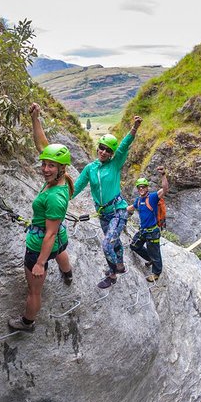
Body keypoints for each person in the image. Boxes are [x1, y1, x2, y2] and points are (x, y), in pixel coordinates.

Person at [8, 103, 74, 331]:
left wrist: (39, 263)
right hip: (59, 239)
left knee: (34, 290)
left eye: (50, 166)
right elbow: (43, 145)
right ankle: (68, 274)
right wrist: (36, 118)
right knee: (60, 250)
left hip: (40, 245)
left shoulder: (55, 196)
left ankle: (27, 322)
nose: (45, 168)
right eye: (44, 164)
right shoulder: (61, 178)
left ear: (61, 168)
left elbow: (50, 233)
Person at [73, 116, 143, 289]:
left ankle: (112, 275)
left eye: (108, 150)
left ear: (112, 154)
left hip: (118, 211)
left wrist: (134, 128)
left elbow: (124, 146)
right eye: (102, 148)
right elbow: (76, 187)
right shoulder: (90, 168)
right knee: (115, 240)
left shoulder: (115, 164)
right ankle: (120, 264)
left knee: (107, 244)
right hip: (103, 214)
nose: (104, 152)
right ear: (98, 148)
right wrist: (60, 198)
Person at [127, 166, 169, 282]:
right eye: (139, 187)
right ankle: (149, 259)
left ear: (146, 187)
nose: (141, 189)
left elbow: (165, 189)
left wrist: (163, 175)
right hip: (143, 231)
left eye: (143, 187)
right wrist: (116, 210)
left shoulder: (153, 197)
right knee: (134, 246)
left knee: (155, 252)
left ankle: (156, 273)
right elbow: (130, 208)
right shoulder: (138, 200)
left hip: (153, 232)